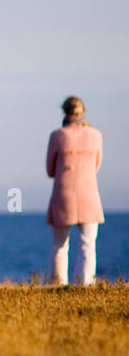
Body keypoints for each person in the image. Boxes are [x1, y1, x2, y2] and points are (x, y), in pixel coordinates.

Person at [45, 96, 104, 285]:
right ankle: (85, 283)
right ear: (83, 112)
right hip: (89, 193)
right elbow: (96, 165)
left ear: (65, 112)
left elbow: (50, 169)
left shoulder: (57, 135)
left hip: (64, 193)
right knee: (88, 244)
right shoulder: (96, 135)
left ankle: (59, 284)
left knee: (60, 245)